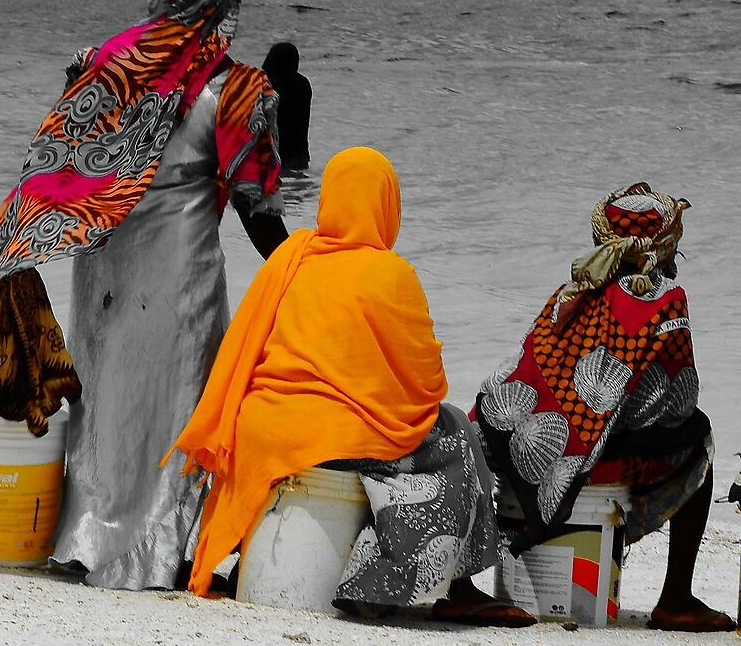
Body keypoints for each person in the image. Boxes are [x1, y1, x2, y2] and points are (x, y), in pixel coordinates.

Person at [0, 0, 287, 590]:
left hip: (103, 263)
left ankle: (82, 538)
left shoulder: (106, 65)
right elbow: (257, 208)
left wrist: (19, 231)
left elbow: (60, 164)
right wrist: (309, 261)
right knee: (173, 401)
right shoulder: (236, 91)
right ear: (228, 0)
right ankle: (163, 553)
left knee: (104, 395)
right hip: (180, 268)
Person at [172, 148, 532, 623]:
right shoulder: (391, 273)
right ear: (386, 204)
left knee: (405, 435)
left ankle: (251, 557)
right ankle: (440, 586)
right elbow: (427, 386)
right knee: (455, 437)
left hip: (264, 427)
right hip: (334, 436)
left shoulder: (293, 257)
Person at [474, 184, 727, 631]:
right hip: (597, 466)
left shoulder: (572, 289)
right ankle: (675, 599)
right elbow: (674, 402)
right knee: (698, 436)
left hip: (518, 451)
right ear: (664, 247)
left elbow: (530, 370)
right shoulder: (665, 299)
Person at [263, 41, 312, 176]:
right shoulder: (303, 84)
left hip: (270, 157)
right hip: (299, 156)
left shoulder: (264, 85)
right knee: (297, 191)